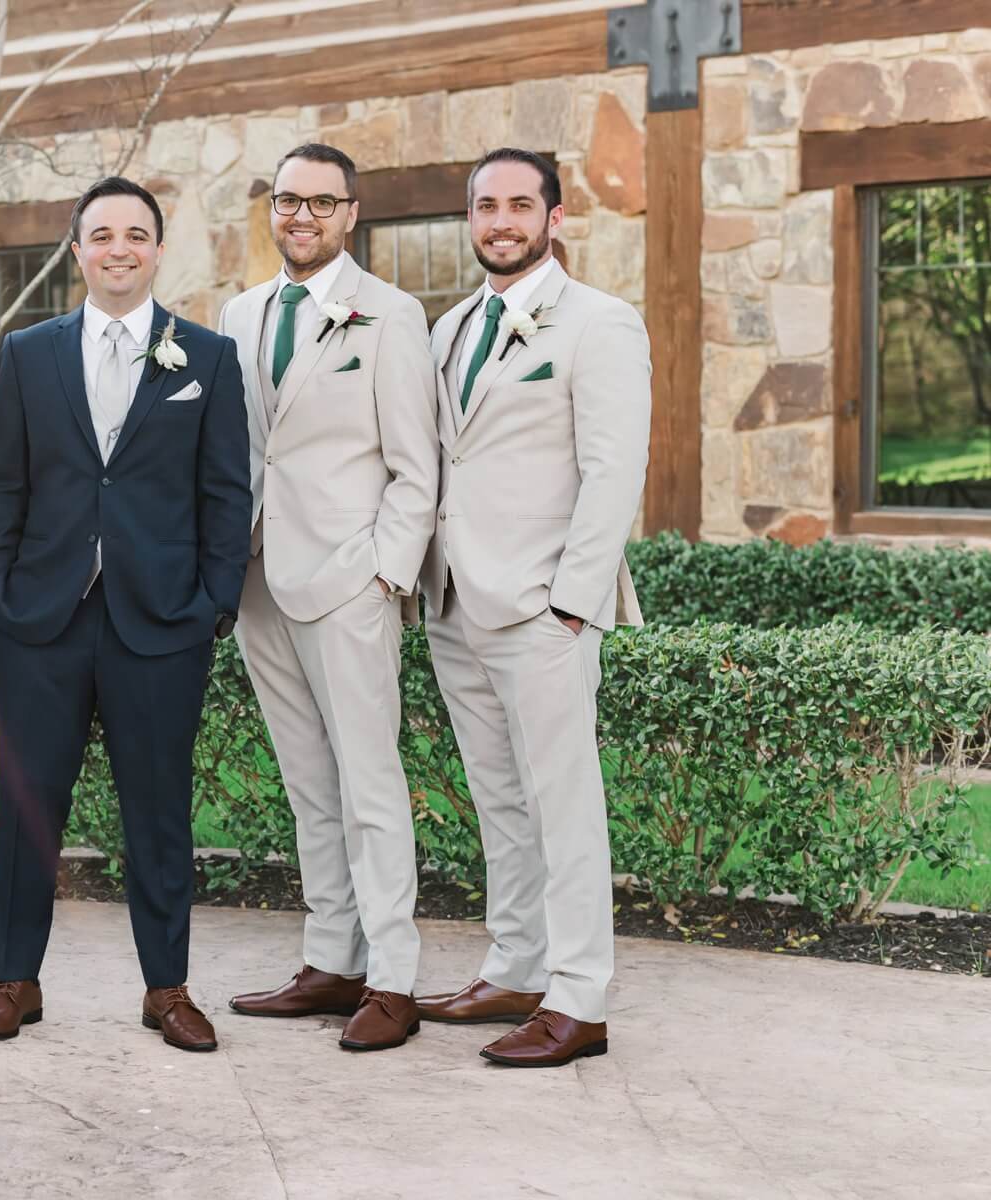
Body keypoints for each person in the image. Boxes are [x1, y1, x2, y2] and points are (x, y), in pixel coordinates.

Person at [0, 177, 251, 1052]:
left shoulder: (204, 357)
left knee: (158, 810)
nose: (118, 248)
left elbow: (225, 493)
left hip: (161, 622)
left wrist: (210, 606)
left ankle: (166, 987)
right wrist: (1, 596)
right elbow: (5, 486)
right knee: (27, 809)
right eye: (100, 235)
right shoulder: (27, 353)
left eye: (136, 234)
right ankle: (15, 979)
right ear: (77, 249)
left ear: (159, 250)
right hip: (43, 620)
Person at [416, 147, 651, 1068]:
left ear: (554, 218)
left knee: (564, 805)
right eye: (485, 206)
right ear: (469, 219)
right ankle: (516, 964)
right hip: (456, 603)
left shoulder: (601, 324)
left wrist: (572, 606)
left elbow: (613, 470)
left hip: (542, 610)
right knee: (498, 799)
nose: (501, 222)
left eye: (520, 205)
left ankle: (580, 998)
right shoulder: (449, 329)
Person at [217, 143, 439, 1052]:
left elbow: (415, 467)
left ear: (352, 213)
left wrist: (385, 573)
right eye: (285, 200)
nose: (299, 216)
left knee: (370, 782)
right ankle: (329, 960)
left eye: (319, 202)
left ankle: (392, 977)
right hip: (256, 578)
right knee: (308, 782)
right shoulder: (238, 313)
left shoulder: (392, 316)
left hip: (348, 579)